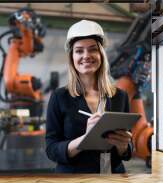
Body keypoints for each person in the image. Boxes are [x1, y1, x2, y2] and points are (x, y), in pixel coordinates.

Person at [45, 20, 132, 174]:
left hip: (113, 177)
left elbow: (127, 150)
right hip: (73, 181)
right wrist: (85, 139)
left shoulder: (120, 96)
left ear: (101, 55)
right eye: (79, 51)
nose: (86, 56)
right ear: (72, 57)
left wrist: (123, 146)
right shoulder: (59, 97)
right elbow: (51, 149)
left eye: (93, 49)